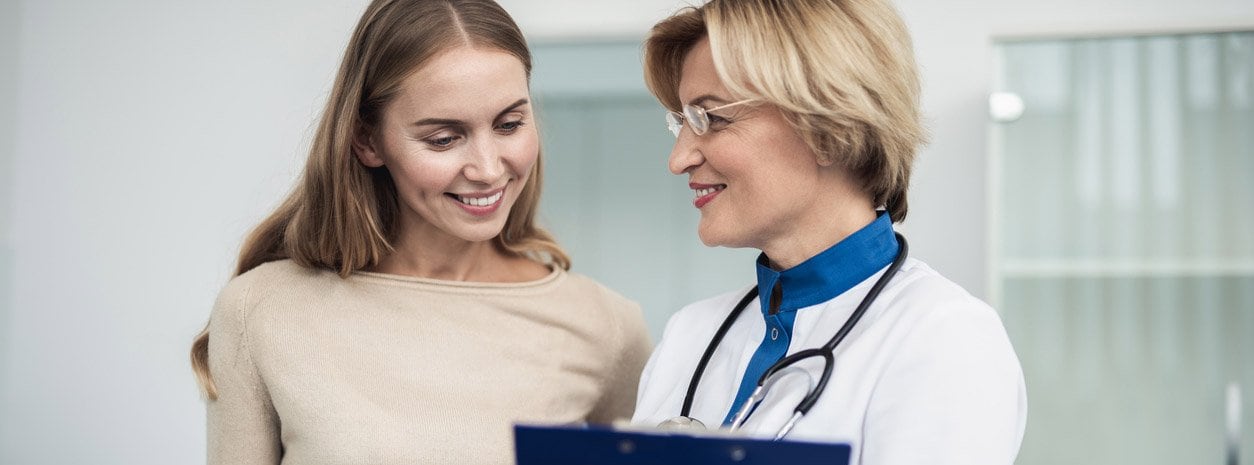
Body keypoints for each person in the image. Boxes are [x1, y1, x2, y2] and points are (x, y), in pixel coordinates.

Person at [187, 1, 652, 463]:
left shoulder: (607, 328)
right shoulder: (261, 311)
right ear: (367, 140)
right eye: (444, 139)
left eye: (509, 124)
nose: (489, 170)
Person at [631, 0, 1027, 463]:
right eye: (681, 121)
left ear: (827, 127)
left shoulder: (943, 337)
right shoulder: (691, 335)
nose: (679, 159)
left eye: (711, 118)